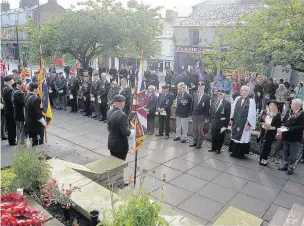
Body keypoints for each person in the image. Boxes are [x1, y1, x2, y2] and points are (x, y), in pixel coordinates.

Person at [229, 86, 256, 158]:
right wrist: (231, 119)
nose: (240, 91)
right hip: (236, 122)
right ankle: (234, 152)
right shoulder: (237, 99)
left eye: (242, 90)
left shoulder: (251, 101)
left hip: (244, 123)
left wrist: (249, 124)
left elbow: (252, 113)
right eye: (240, 90)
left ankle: (240, 154)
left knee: (243, 138)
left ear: (247, 91)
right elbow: (233, 109)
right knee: (235, 136)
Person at [278, 99, 304, 175]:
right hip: (286, 136)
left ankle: (291, 168)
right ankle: (285, 165)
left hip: (295, 138)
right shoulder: (289, 111)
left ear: (297, 105)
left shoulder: (302, 114)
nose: (291, 105)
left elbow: (302, 126)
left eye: (292, 104)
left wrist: (290, 129)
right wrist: (282, 125)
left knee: (293, 155)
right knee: (285, 152)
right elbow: (284, 120)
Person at [107, 95, 134, 160]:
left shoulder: (109, 111)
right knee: (120, 165)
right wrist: (133, 132)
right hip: (120, 146)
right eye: (123, 102)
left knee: (113, 162)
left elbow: (109, 127)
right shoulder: (123, 115)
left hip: (111, 142)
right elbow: (125, 132)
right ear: (121, 103)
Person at [258, 100, 281, 166]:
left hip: (271, 133)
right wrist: (263, 126)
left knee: (267, 146)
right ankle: (261, 159)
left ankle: (265, 159)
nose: (272, 106)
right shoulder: (265, 113)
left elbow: (278, 126)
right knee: (262, 145)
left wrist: (270, 128)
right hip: (263, 132)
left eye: (274, 105)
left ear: (276, 106)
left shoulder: (277, 115)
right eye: (271, 105)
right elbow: (260, 121)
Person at [190, 81, 211, 149]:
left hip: (202, 116)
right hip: (194, 116)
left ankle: (199, 143)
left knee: (200, 131)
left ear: (204, 87)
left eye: (202, 85)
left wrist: (207, 118)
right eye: (199, 85)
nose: (200, 86)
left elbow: (208, 108)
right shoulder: (194, 94)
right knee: (194, 130)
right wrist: (191, 114)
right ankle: (194, 142)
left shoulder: (207, 96)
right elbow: (192, 105)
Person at [210, 90, 231, 154]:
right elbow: (211, 111)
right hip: (214, 122)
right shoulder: (214, 101)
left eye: (221, 94)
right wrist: (210, 121)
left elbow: (228, 115)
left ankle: (218, 149)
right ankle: (213, 148)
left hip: (222, 123)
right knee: (213, 136)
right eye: (218, 94)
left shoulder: (227, 103)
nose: (219, 95)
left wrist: (226, 125)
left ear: (223, 95)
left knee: (220, 137)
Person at [2, 75, 16, 145]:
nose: (13, 80)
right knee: (12, 125)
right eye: (12, 79)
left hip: (6, 108)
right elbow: (11, 100)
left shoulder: (5, 88)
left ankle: (11, 139)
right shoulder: (10, 89)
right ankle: (12, 140)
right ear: (10, 81)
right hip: (10, 109)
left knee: (9, 125)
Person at [13, 79, 26, 143]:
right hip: (20, 113)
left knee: (18, 127)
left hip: (16, 112)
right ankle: (21, 140)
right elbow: (23, 103)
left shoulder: (14, 91)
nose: (23, 85)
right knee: (21, 127)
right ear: (19, 85)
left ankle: (18, 140)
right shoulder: (19, 93)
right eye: (22, 84)